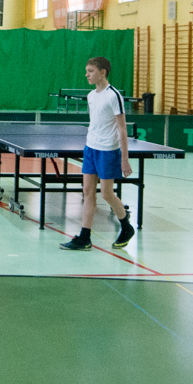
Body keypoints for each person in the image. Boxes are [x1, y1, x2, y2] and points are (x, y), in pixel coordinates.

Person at [60, 56, 135, 251]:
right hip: (90, 148)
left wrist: (124, 159)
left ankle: (127, 227)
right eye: (86, 71)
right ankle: (84, 237)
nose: (87, 75)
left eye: (90, 71)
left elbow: (122, 129)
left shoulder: (114, 96)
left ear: (102, 73)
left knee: (107, 194)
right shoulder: (91, 95)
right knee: (87, 191)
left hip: (108, 151)